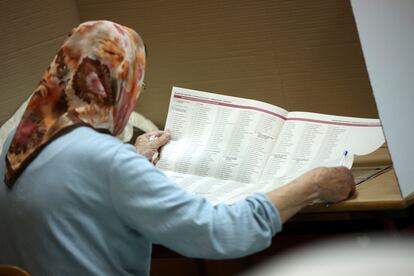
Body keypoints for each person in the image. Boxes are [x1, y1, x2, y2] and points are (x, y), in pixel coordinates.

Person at [0, 20, 355, 275]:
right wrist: (313, 184)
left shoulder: (15, 141)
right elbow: (220, 233)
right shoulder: (106, 160)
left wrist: (129, 162)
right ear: (117, 83)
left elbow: (67, 196)